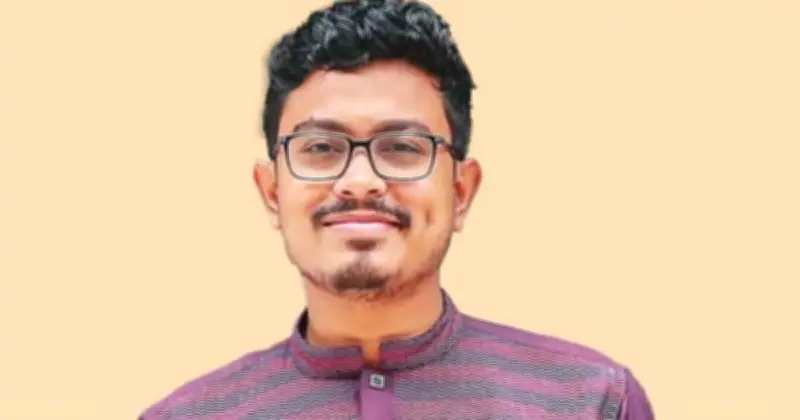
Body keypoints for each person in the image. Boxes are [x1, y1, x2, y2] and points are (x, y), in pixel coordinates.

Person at [139, 0, 654, 419]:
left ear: (461, 191)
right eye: (321, 148)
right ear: (272, 192)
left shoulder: (590, 402)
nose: (359, 182)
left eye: (402, 147)